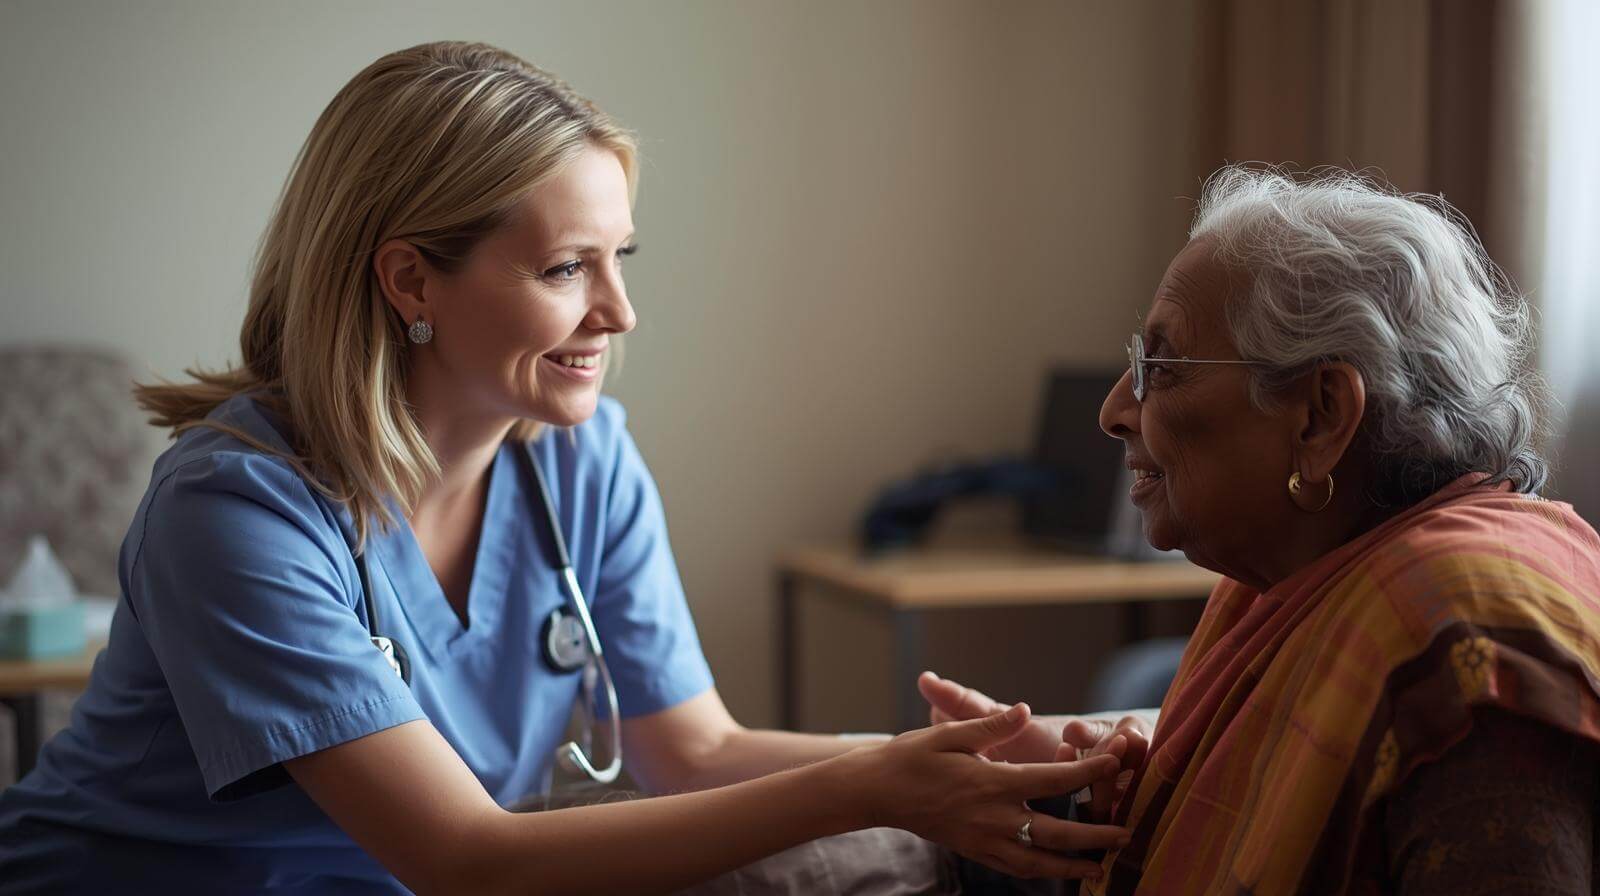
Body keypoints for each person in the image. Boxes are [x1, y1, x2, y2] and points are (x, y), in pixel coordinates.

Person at [0, 42, 1131, 894]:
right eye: (563, 267)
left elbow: (691, 749)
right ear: (409, 282)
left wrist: (955, 756)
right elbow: (464, 856)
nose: (618, 310)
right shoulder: (237, 511)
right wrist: (878, 783)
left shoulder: (580, 459)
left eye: (619, 259)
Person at [922, 165, 1600, 894]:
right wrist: (1107, 786)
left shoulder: (1468, 641)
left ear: (1320, 416)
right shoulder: (1297, 569)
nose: (1115, 409)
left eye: (1163, 366)